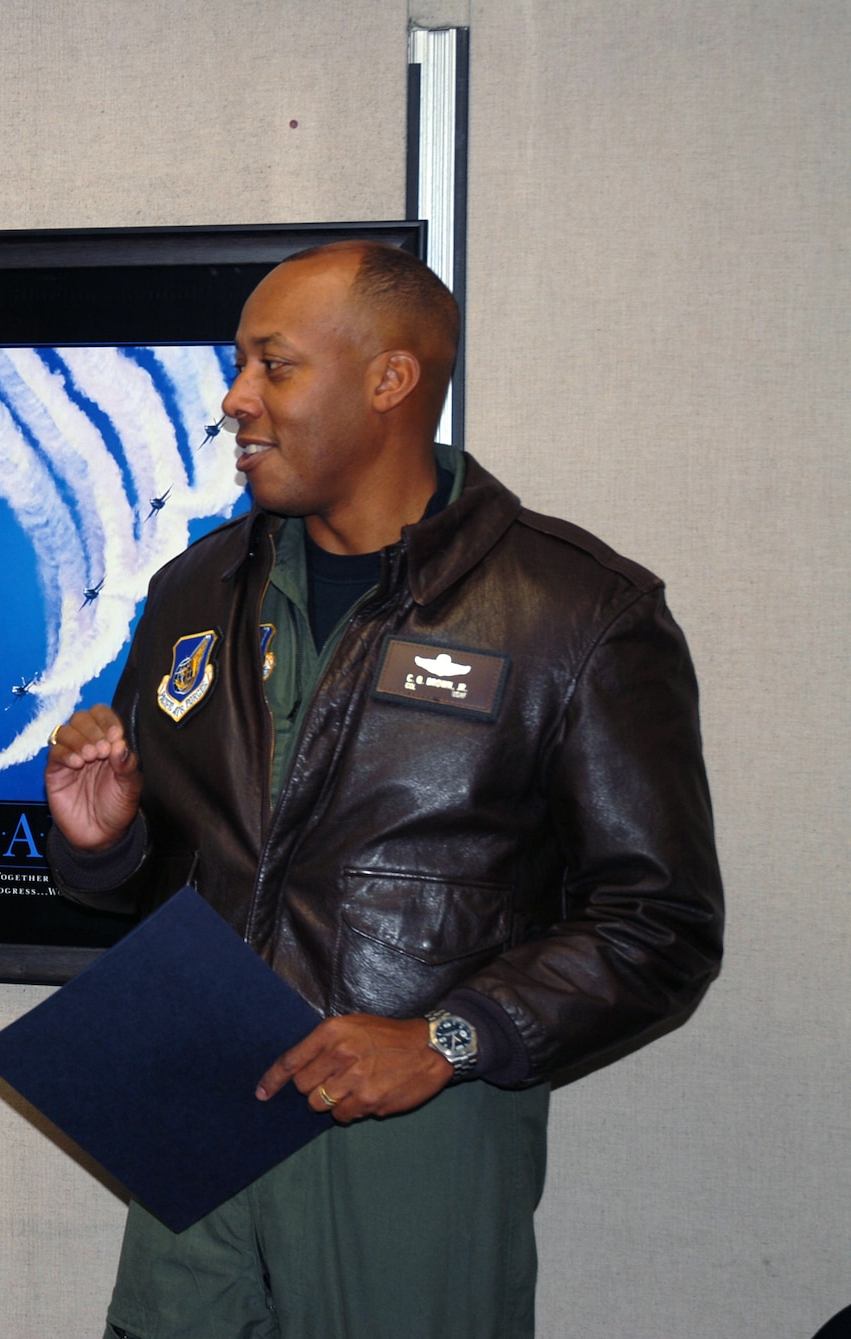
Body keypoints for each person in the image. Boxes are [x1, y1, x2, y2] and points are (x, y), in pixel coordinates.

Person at [45, 242, 722, 1338]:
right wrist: (103, 845)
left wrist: (446, 1038)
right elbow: (176, 883)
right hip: (196, 1126)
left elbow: (660, 924)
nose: (235, 400)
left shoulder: (574, 612)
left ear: (388, 379)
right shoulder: (193, 589)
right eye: (238, 367)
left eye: (273, 366)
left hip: (413, 1145)